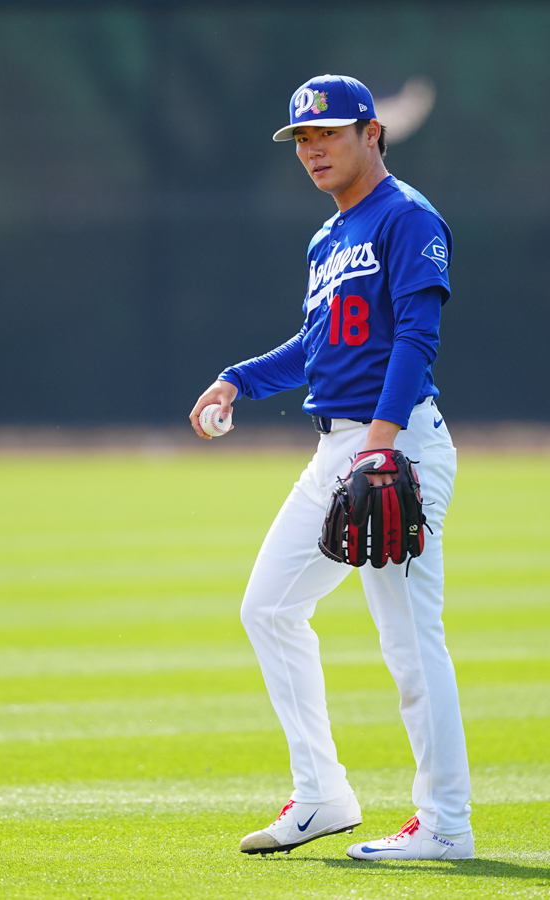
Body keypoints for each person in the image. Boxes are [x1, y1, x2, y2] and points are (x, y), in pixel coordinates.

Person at [189, 74, 473, 861]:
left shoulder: (407, 217)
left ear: (372, 133)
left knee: (409, 640)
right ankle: (321, 795)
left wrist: (380, 442)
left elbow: (416, 338)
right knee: (268, 608)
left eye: (329, 134)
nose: (313, 149)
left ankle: (446, 823)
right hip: (336, 450)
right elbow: (317, 348)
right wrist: (237, 379)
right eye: (303, 139)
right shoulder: (329, 237)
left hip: (397, 443)